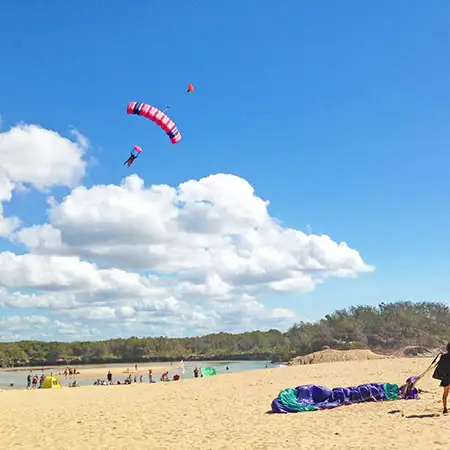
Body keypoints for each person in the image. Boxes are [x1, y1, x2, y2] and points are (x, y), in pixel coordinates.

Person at [435, 343, 450, 414]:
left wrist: (442, 376)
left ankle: (445, 408)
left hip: (446, 377)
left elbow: (439, 367)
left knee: (445, 393)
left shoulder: (443, 356)